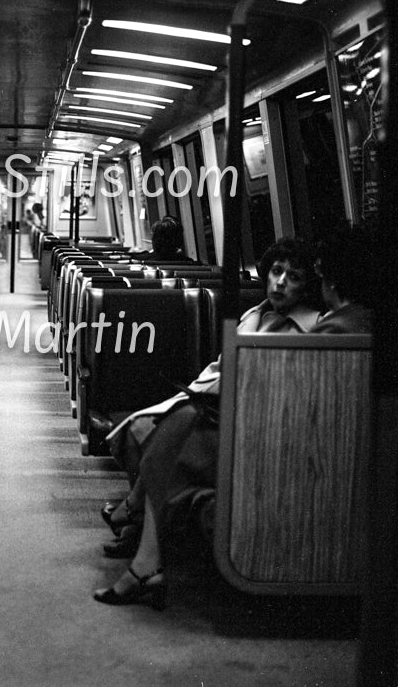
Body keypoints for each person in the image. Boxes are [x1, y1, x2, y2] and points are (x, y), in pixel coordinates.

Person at [94, 237, 323, 607]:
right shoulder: (254, 315)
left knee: (173, 429)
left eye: (293, 277)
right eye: (277, 272)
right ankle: (142, 552)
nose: (280, 282)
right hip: (222, 410)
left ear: (307, 285)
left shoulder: (310, 329)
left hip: (253, 426)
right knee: (174, 425)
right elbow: (221, 367)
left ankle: (138, 534)